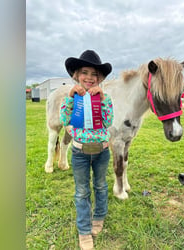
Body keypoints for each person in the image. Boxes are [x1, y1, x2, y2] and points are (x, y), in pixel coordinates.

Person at [60, 50, 113, 250]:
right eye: (85, 72)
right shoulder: (72, 97)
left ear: (99, 78)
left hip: (102, 151)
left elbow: (108, 121)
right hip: (80, 153)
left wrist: (104, 99)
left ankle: (98, 217)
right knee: (82, 191)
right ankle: (84, 231)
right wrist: (71, 97)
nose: (90, 78)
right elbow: (65, 120)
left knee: (100, 185)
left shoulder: (104, 98)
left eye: (94, 74)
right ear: (76, 75)